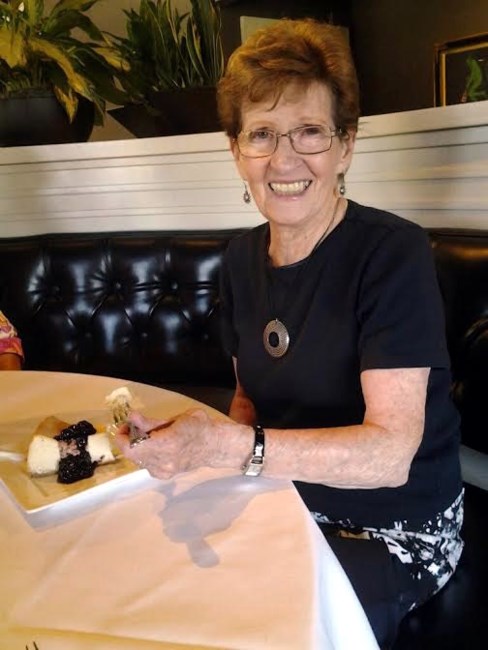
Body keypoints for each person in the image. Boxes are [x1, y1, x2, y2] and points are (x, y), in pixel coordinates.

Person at [116, 19, 463, 648]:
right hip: (285, 498)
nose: (283, 159)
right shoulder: (239, 259)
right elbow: (248, 400)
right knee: (150, 583)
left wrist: (229, 450)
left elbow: (389, 457)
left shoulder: (392, 254)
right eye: (262, 134)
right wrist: (199, 458)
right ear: (236, 151)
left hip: (394, 528)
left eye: (309, 131)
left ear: (345, 146)